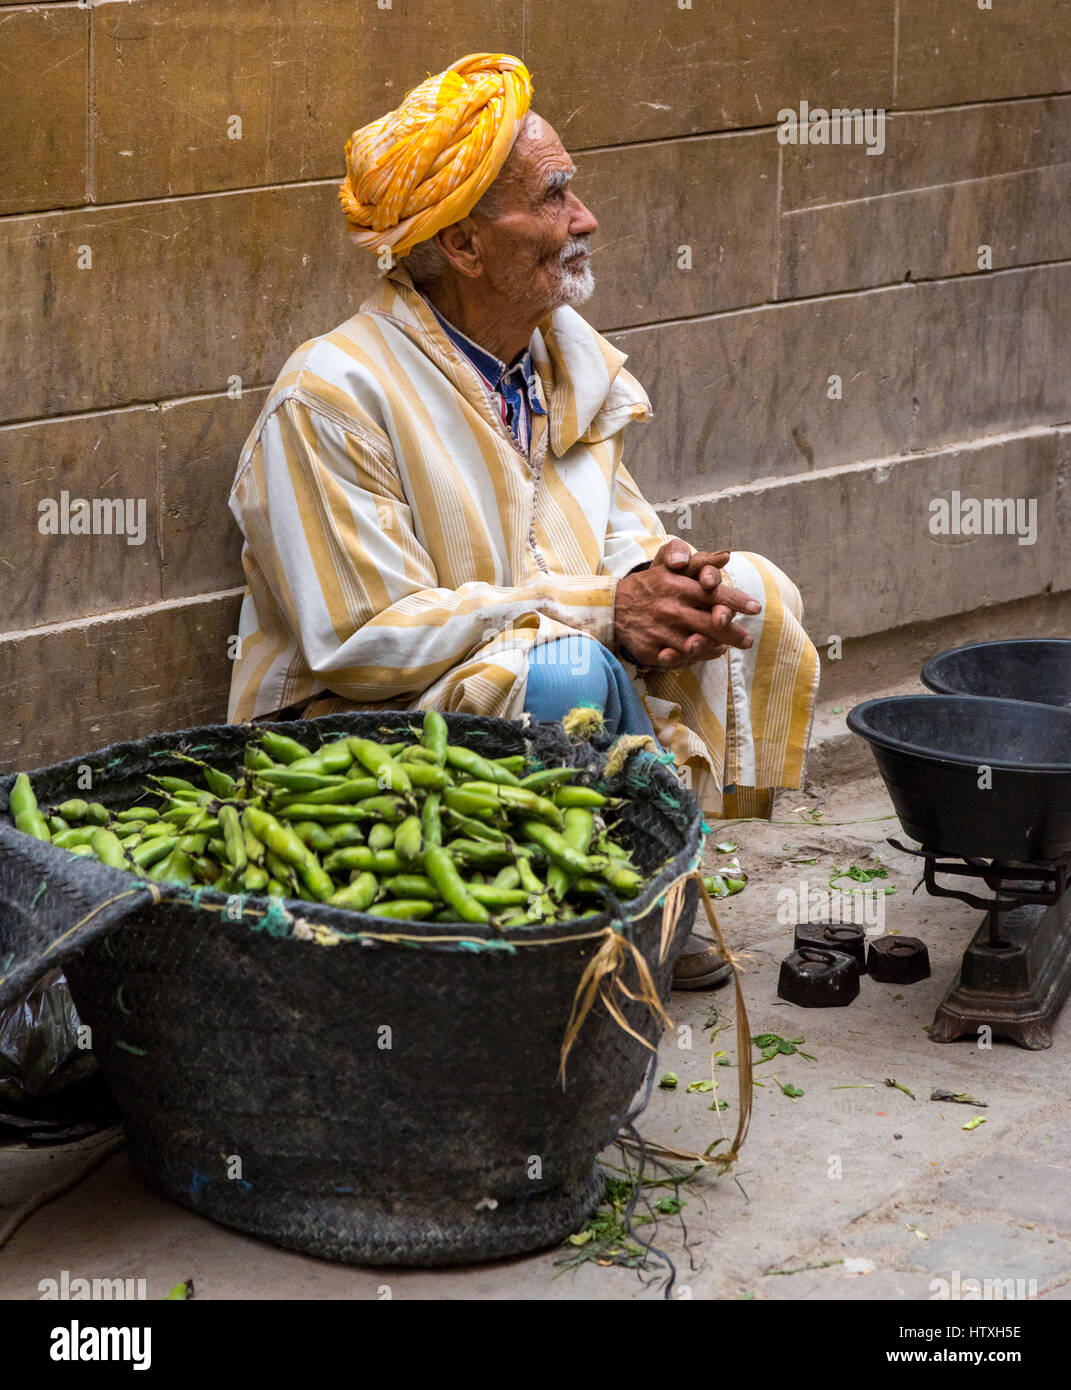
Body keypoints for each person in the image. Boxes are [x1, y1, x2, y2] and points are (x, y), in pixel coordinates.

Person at [227, 53, 819, 988]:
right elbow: (359, 639)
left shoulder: (552, 361)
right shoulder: (331, 395)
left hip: (515, 656)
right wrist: (597, 609)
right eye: (553, 198)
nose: (583, 220)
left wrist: (669, 578)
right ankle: (561, 943)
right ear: (463, 245)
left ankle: (648, 882)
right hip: (363, 730)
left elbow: (609, 538)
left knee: (745, 590)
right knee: (569, 672)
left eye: (572, 191)